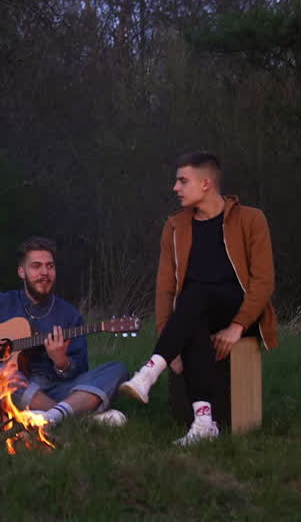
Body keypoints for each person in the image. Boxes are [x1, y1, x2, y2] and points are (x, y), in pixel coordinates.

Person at [118, 151, 279, 445]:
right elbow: (165, 287)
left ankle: (150, 371)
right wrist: (170, 340)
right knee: (193, 304)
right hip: (194, 314)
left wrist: (237, 326)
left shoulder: (251, 219)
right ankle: (204, 422)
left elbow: (264, 280)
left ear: (206, 184)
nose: (175, 188)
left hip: (238, 310)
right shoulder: (176, 226)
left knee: (197, 292)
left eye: (182, 181)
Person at [0, 236, 129, 428]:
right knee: (0, 372)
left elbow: (81, 373)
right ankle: (73, 418)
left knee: (117, 369)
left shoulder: (70, 315)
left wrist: (61, 362)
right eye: (36, 266)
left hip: (55, 387)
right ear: (22, 272)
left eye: (50, 266)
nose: (44, 273)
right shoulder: (1, 302)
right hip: (14, 387)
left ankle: (52, 416)